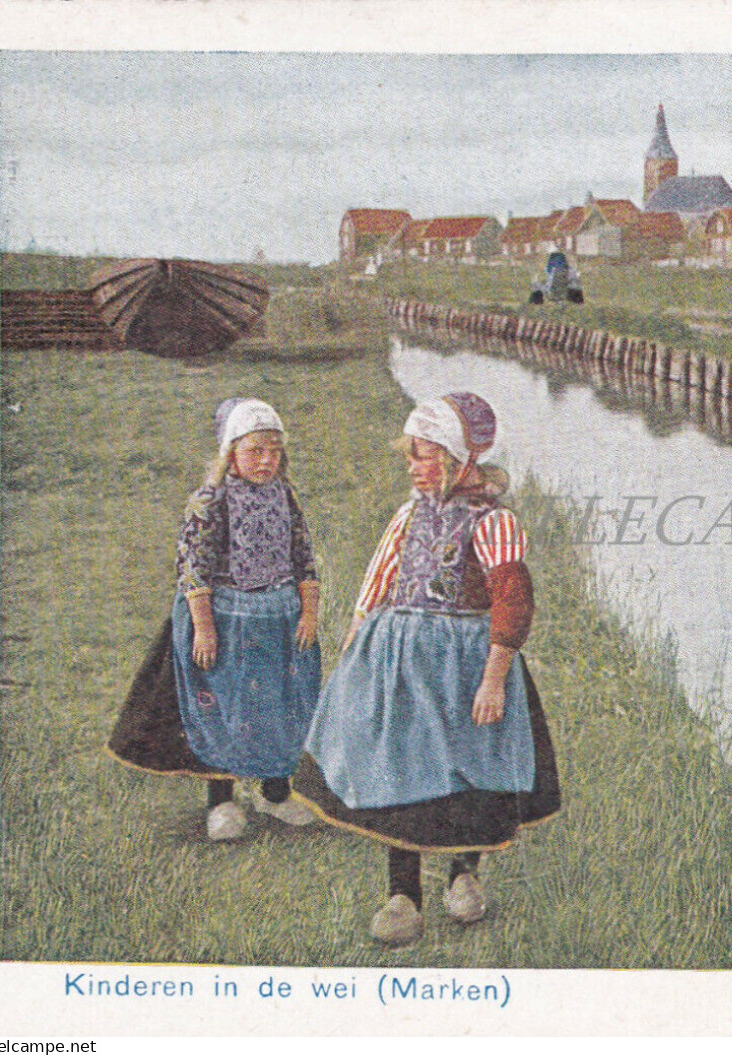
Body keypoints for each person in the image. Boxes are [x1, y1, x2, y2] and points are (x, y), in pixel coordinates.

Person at [292, 392, 561, 947]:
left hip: (465, 662)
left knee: (470, 769)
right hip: (402, 663)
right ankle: (403, 894)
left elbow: (513, 599)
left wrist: (494, 676)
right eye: (410, 456)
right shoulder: (409, 514)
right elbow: (380, 576)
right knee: (400, 771)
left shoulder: (494, 522)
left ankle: (464, 874)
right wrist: (357, 637)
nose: (413, 467)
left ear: (457, 459)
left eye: (423, 456)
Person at [108, 398, 322, 840]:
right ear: (231, 453)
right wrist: (204, 627)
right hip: (225, 620)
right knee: (222, 705)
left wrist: (310, 612)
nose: (266, 460)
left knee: (278, 706)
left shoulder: (284, 496)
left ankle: (274, 792)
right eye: (255, 450)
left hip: (278, 618)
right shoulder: (211, 500)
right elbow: (193, 568)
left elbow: (304, 557)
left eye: (275, 451)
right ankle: (221, 801)